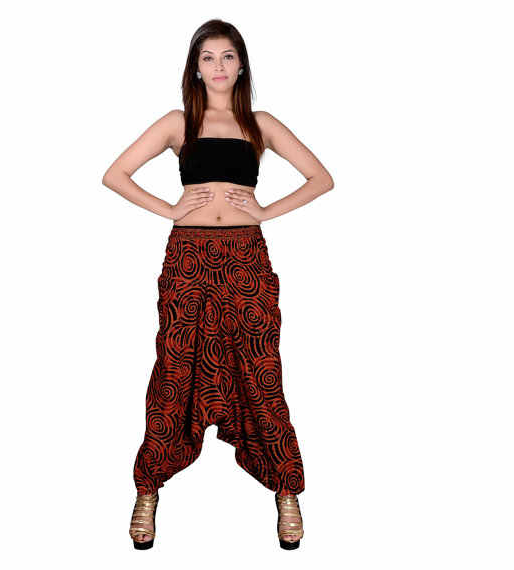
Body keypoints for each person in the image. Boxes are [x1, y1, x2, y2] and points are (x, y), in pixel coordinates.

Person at [102, 19, 334, 550]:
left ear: (241, 64)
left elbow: (321, 178)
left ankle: (286, 489)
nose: (219, 66)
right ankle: (148, 489)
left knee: (261, 367)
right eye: (207, 58)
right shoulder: (178, 122)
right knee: (174, 367)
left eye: (227, 56)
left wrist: (267, 211)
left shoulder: (260, 123)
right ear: (195, 68)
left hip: (246, 258)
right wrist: (169, 208)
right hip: (188, 259)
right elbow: (115, 174)